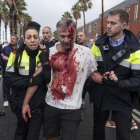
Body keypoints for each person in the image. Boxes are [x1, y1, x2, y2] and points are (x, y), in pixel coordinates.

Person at [22, 18, 118, 140]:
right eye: (62, 36)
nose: (66, 40)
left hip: (72, 108)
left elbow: (93, 74)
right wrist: (25, 103)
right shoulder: (49, 52)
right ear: (57, 34)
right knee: (51, 137)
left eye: (70, 36)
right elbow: (36, 77)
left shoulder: (86, 52)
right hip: (51, 105)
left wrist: (103, 79)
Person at [90, 9, 140, 140]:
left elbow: (138, 79)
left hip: (122, 99)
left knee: (123, 135)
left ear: (124, 26)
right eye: (108, 22)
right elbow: (89, 68)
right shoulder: (97, 45)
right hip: (101, 97)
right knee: (98, 132)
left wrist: (121, 83)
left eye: (113, 23)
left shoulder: (135, 50)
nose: (108, 26)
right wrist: (97, 76)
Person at [4, 24, 51, 140]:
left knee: (32, 136)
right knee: (22, 133)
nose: (32, 40)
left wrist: (45, 64)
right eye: (29, 37)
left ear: (39, 40)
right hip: (19, 103)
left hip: (38, 104)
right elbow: (8, 79)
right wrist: (29, 81)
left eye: (35, 37)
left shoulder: (44, 55)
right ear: (24, 40)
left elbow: (47, 78)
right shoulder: (15, 55)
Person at [2, 35, 18, 107]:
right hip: (7, 70)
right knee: (6, 85)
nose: (12, 40)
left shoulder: (19, 48)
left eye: (14, 39)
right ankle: (5, 99)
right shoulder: (5, 48)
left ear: (17, 40)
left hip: (17, 70)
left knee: (16, 85)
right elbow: (2, 56)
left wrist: (10, 59)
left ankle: (14, 99)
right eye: (11, 38)